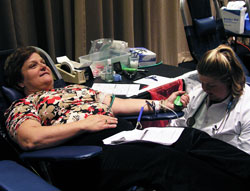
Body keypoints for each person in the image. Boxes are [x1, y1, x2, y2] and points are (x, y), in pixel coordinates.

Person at [3, 46, 250, 191]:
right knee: (165, 161)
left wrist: (160, 104)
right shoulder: (22, 105)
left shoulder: (74, 90)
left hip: (125, 136)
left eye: (43, 62)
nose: (44, 66)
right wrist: (83, 124)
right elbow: (30, 139)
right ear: (19, 81)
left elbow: (119, 104)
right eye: (33, 66)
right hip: (87, 155)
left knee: (190, 138)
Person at [170, 44, 250, 155]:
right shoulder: (197, 94)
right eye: (202, 82)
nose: (204, 89)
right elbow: (175, 129)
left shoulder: (246, 108)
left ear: (229, 81)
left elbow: (245, 159)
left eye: (211, 85)